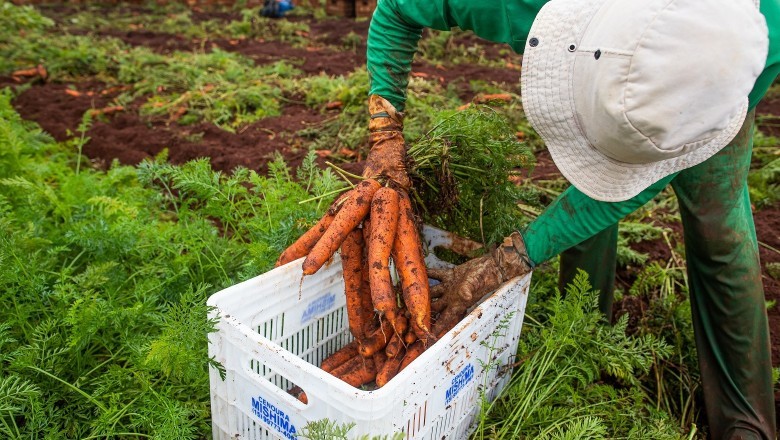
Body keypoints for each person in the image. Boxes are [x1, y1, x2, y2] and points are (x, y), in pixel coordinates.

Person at [361, 0, 780, 437]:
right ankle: (582, 335)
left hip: (718, 85)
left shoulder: (760, 35)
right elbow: (396, 10)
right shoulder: (511, 5)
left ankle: (744, 419)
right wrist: (385, 135)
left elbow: (642, 179)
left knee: (719, 227)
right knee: (588, 181)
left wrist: (511, 259)